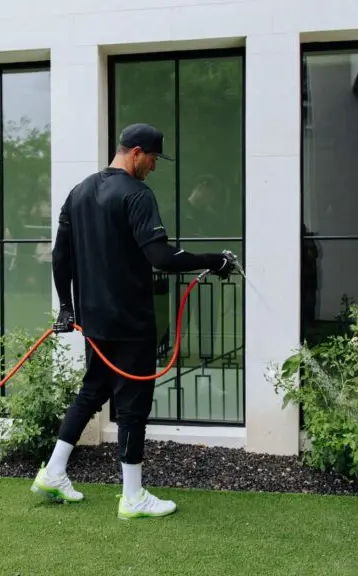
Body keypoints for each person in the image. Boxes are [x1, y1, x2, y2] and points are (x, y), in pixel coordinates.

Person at [31, 123, 237, 519]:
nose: (155, 168)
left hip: (95, 320)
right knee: (133, 404)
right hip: (130, 321)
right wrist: (216, 260)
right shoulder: (138, 195)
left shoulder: (79, 192)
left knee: (93, 390)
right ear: (138, 152)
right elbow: (160, 257)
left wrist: (66, 308)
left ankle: (54, 472)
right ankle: (133, 496)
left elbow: (61, 257)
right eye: (155, 159)